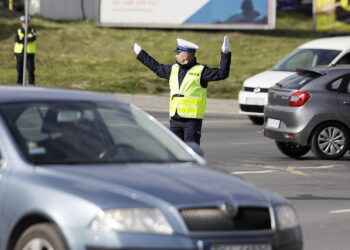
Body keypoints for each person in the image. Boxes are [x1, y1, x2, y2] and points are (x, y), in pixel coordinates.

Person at [134, 36, 231, 145]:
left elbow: (222, 74)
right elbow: (157, 68)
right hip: (175, 119)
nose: (176, 55)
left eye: (178, 53)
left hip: (192, 121)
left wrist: (225, 53)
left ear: (185, 55)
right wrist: (141, 54)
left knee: (191, 150)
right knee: (175, 149)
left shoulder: (201, 71)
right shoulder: (173, 69)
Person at [14, 16, 37, 85]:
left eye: (27, 23)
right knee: (19, 70)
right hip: (19, 54)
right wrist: (26, 38)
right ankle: (19, 84)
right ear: (22, 23)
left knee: (30, 70)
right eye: (24, 23)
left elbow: (32, 38)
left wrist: (23, 38)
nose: (25, 24)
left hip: (29, 54)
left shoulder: (32, 31)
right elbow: (17, 40)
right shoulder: (18, 31)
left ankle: (31, 84)